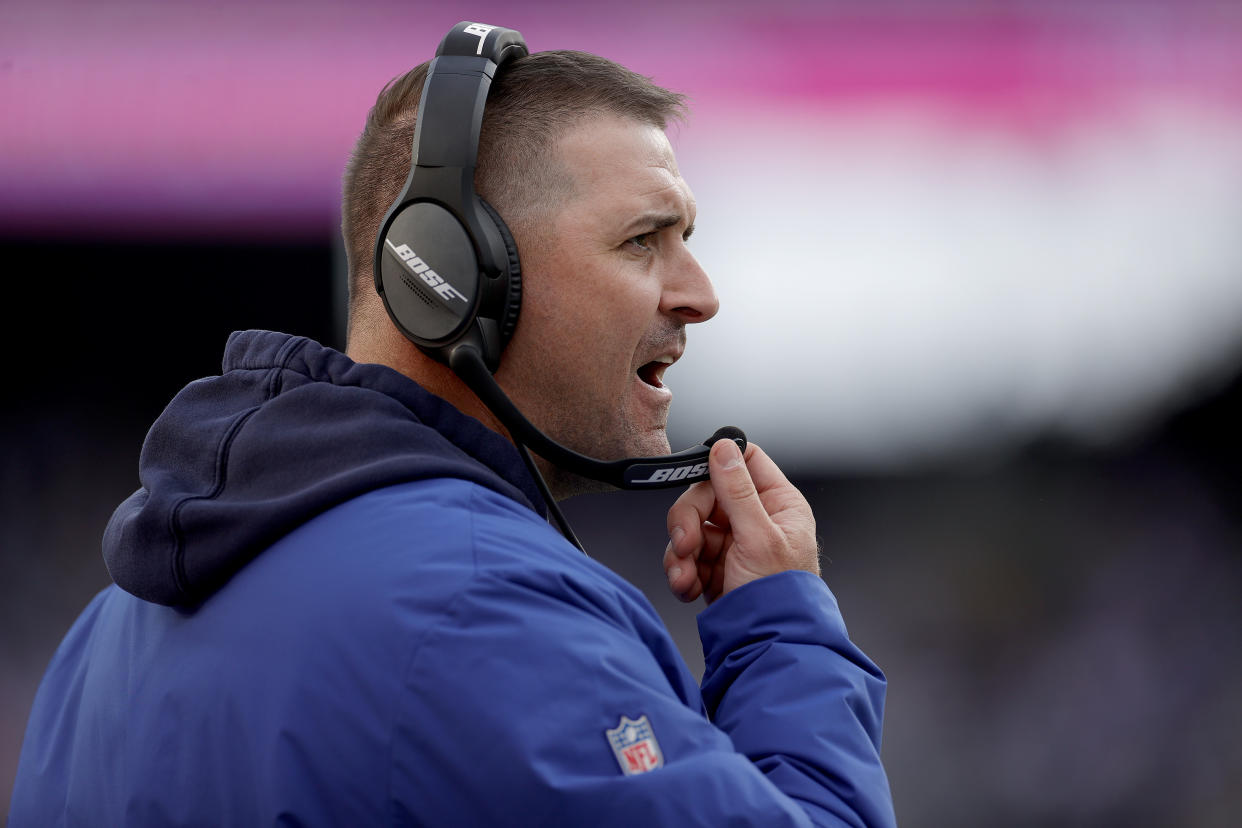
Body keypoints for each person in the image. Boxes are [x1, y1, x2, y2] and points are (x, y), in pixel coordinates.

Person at [10, 25, 896, 827]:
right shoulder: (484, 611)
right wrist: (780, 624)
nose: (700, 294)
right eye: (643, 240)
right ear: (451, 275)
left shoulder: (104, 634)